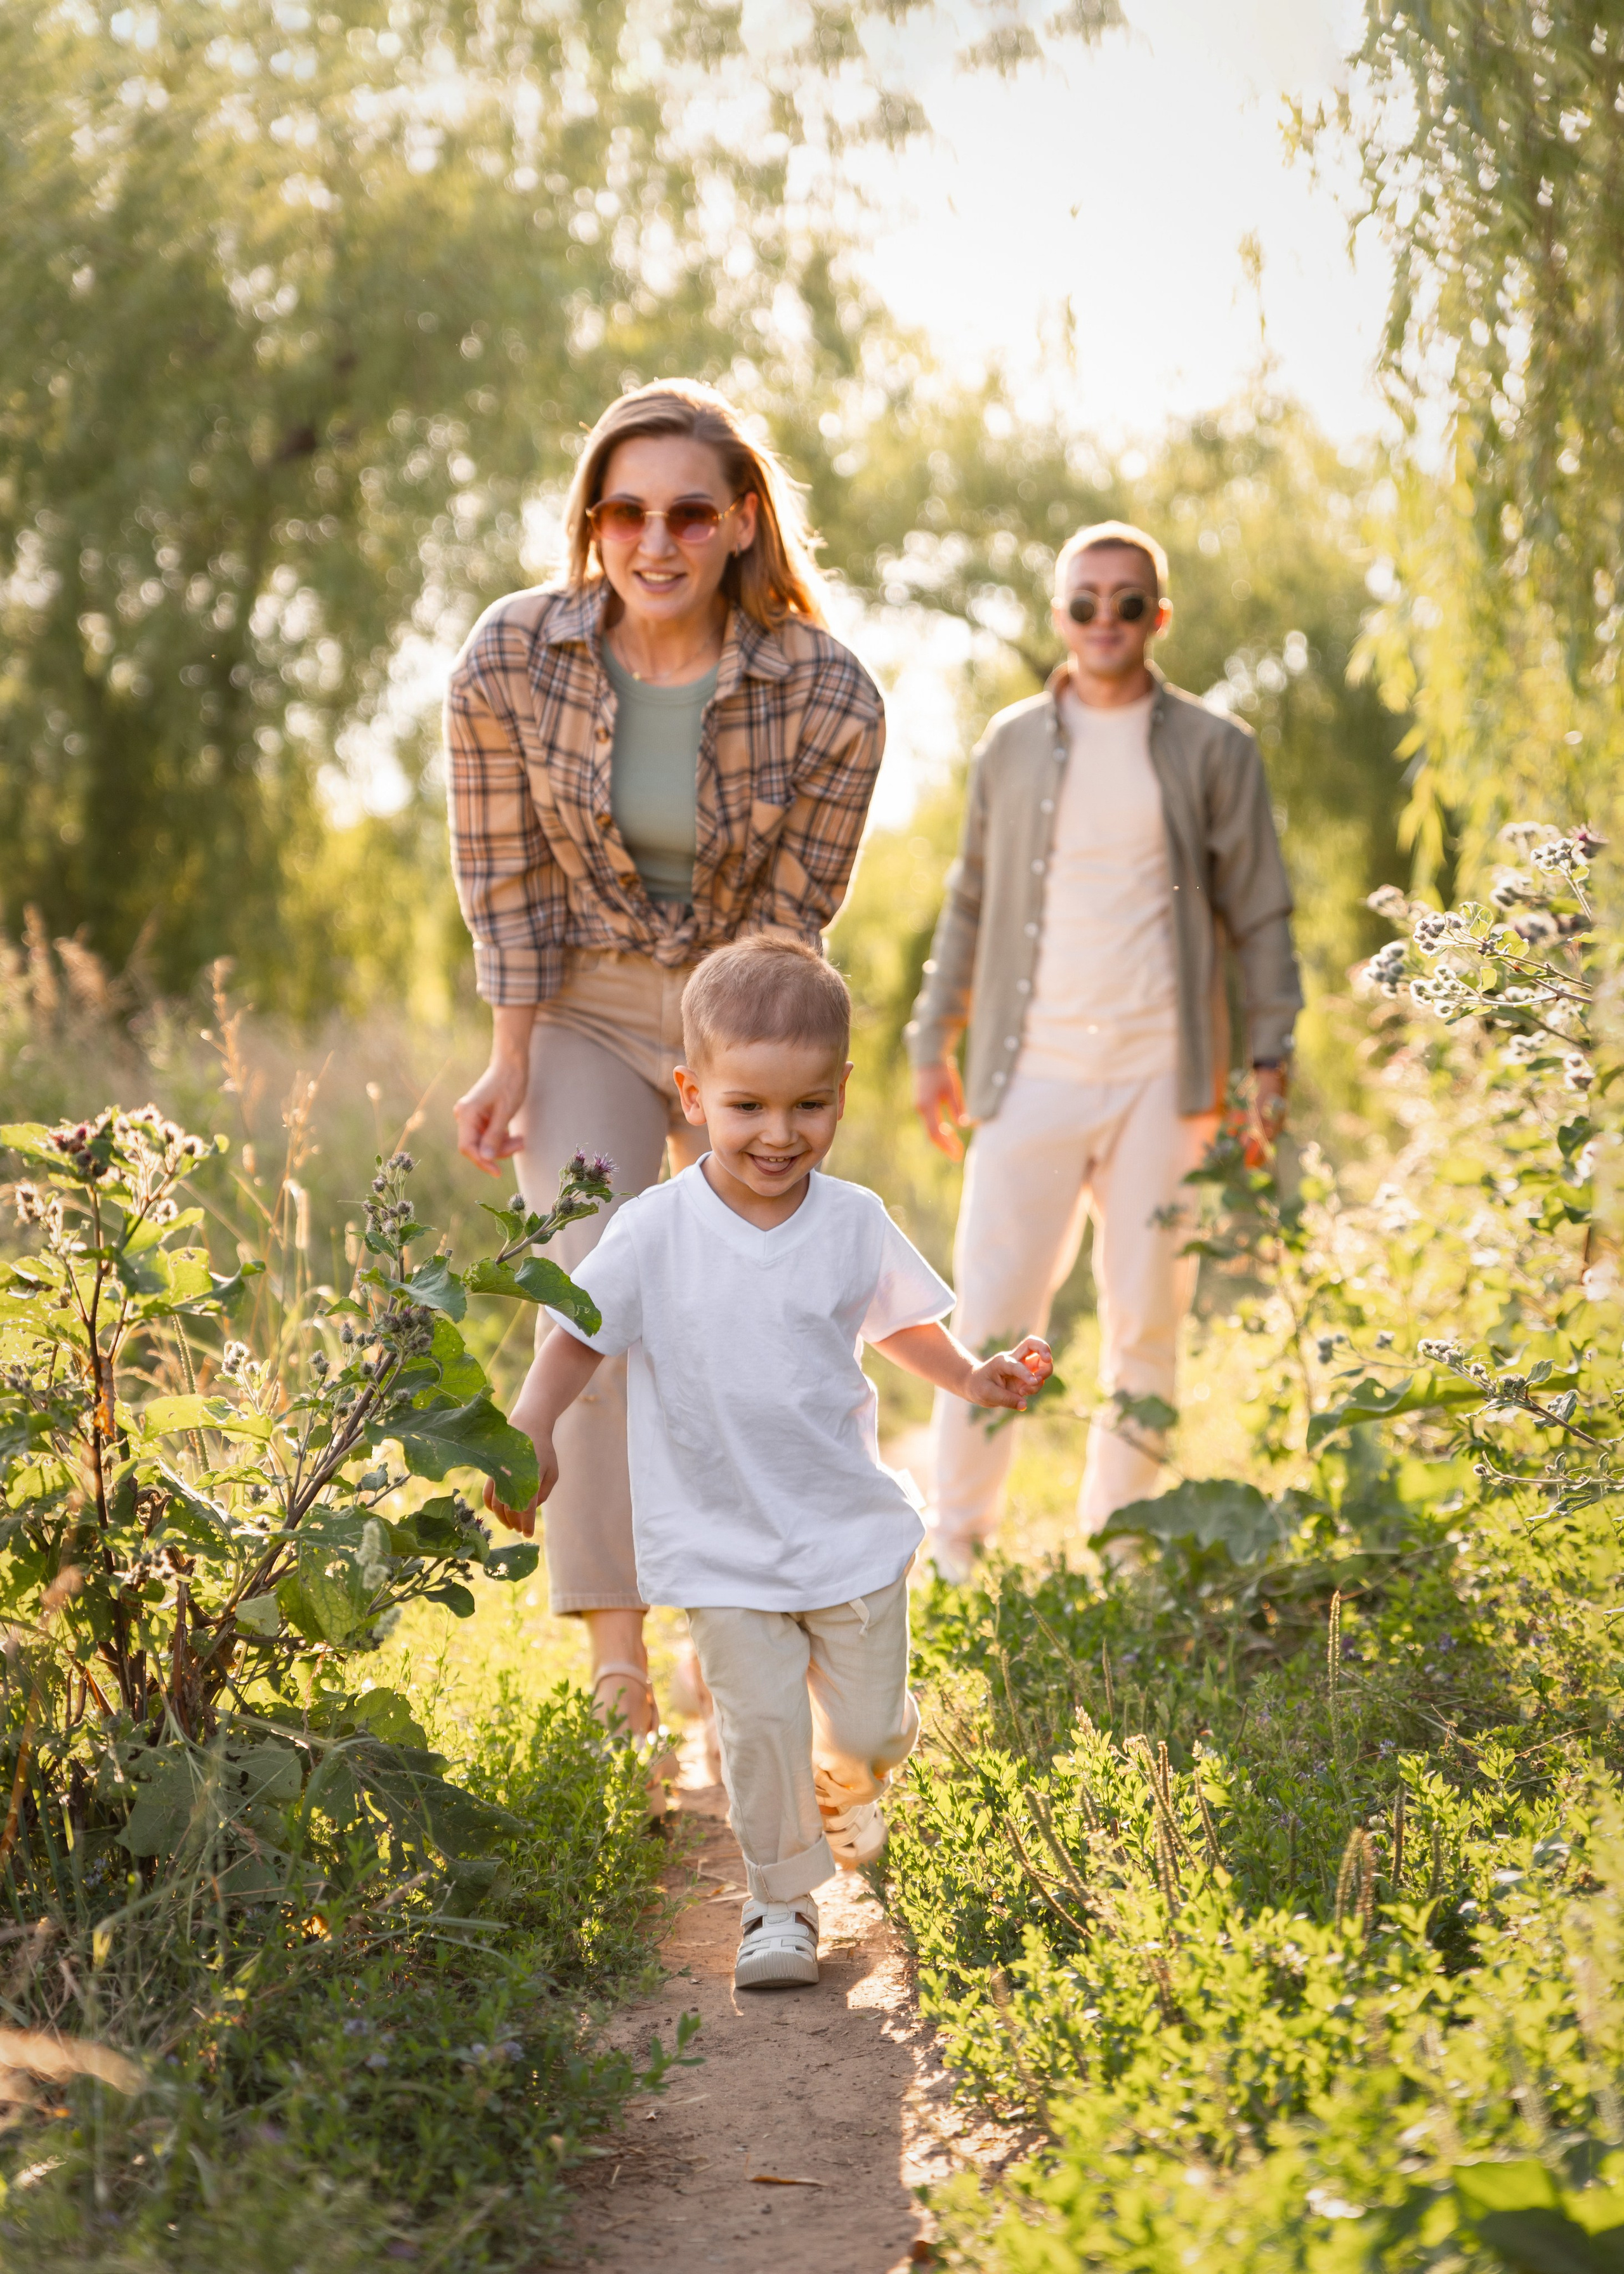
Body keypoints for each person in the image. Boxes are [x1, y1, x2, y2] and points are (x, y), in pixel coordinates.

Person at [445, 380, 886, 1745]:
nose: (655, 538)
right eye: (624, 510)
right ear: (592, 523)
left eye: (690, 510)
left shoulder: (825, 691)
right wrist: (510, 1052)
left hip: (737, 1008)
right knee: (587, 1286)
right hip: (577, 999)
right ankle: (619, 1674)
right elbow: (501, 877)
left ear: (741, 522)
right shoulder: (509, 660)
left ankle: (742, 1616)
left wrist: (745, 1098)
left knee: (745, 1311)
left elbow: (795, 917)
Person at [488, 937, 1052, 1988]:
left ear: (842, 1094)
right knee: (756, 1729)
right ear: (692, 1093)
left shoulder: (854, 1222)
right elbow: (574, 1334)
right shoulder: (654, 1232)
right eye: (747, 1107)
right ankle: (779, 1903)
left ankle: (853, 1782)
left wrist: (972, 1378)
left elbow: (897, 1325)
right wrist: (531, 1429)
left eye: (809, 1108)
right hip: (718, 1541)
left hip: (843, 1527)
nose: (779, 1136)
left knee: (874, 1729)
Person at [906, 519, 1302, 1580]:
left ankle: (1125, 1548)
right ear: (1060, 616)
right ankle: (957, 1545)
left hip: (1161, 1082)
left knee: (1147, 1313)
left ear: (1157, 617)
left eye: (1128, 602)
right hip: (1027, 1071)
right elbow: (969, 902)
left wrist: (1270, 1061)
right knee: (990, 1309)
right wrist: (929, 1036)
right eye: (1085, 602)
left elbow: (1261, 914)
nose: (1106, 620)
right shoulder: (1012, 744)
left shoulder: (1218, 749)